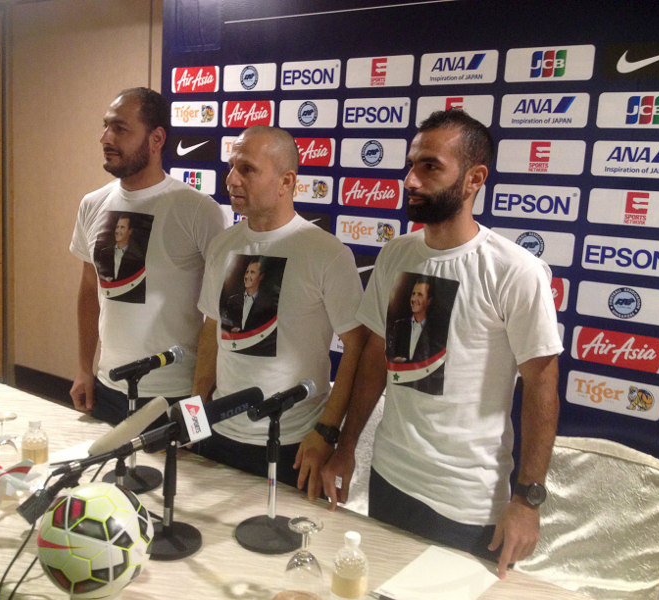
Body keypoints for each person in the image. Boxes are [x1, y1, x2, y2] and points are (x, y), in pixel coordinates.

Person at [322, 110, 563, 579]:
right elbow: (375, 355)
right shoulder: (396, 254)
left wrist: (528, 499)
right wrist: (346, 446)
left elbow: (542, 383)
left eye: (430, 166)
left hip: (466, 501)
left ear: (474, 179)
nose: (410, 179)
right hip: (390, 479)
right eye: (410, 165)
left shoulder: (515, 271)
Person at [192, 125, 367, 495]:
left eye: (247, 169)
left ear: (287, 181)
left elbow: (357, 347)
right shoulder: (223, 246)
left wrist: (326, 431)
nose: (232, 179)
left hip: (293, 444)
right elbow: (211, 331)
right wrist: (195, 414)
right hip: (220, 432)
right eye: (231, 167)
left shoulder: (327, 253)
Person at [69, 87, 226, 426]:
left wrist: (198, 403)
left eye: (120, 129)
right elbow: (88, 289)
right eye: (106, 126)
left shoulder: (198, 210)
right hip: (107, 387)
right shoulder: (92, 204)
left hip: (174, 394)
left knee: (176, 482)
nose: (105, 138)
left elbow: (219, 313)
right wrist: (84, 368)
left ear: (156, 139)